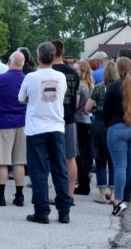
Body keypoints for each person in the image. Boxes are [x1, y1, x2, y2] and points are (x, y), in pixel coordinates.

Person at [19, 42, 71, 224]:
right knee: (60, 170)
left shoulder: (31, 77)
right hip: (56, 126)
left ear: (39, 57)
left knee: (38, 171)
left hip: (36, 128)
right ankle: (64, 211)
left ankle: (42, 212)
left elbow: (21, 98)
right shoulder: (61, 77)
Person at [104, 57, 131, 217]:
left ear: (118, 69)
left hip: (117, 128)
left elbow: (106, 113)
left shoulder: (112, 88)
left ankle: (118, 202)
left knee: (120, 167)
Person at [0, 51, 27, 207]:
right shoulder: (26, 79)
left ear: (9, 62)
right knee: (19, 161)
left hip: (2, 123)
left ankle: (0, 194)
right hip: (22, 123)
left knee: (1, 161)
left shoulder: (0, 79)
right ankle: (19, 195)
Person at [50, 40, 79, 200]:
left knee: (54, 159)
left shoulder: (50, 71)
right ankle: (69, 194)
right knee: (70, 157)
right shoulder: (73, 72)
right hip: (69, 117)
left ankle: (57, 193)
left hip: (52, 118)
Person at [87, 61, 116, 204]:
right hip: (115, 123)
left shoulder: (99, 88)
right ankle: (113, 193)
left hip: (99, 122)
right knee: (113, 160)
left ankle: (102, 195)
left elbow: (88, 107)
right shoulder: (120, 88)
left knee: (99, 159)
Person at [73, 59, 94, 195]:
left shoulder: (80, 86)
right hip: (87, 120)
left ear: (83, 71)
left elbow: (75, 105)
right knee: (85, 153)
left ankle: (83, 183)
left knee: (78, 154)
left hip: (79, 119)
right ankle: (84, 181)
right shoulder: (90, 84)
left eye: (76, 70)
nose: (74, 72)